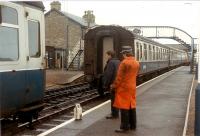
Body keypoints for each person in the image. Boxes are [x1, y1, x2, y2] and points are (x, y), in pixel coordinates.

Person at [111, 46, 140, 133]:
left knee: (124, 107)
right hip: (132, 87)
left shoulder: (124, 63)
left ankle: (124, 127)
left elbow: (119, 78)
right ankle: (133, 125)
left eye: (123, 54)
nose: (122, 55)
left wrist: (114, 86)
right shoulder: (136, 62)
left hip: (124, 88)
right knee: (132, 106)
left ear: (125, 53)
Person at [102, 50, 120, 119]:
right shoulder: (118, 61)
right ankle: (116, 113)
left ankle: (114, 114)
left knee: (113, 99)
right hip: (117, 83)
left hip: (113, 84)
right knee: (116, 99)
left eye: (107, 55)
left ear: (110, 55)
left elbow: (109, 74)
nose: (106, 56)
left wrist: (105, 84)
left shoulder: (111, 62)